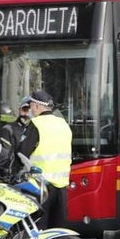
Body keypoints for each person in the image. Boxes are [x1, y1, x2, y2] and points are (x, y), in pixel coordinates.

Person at [15, 90, 72, 228]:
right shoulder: (63, 124)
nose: (30, 110)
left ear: (36, 106)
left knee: (38, 228)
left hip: (40, 185)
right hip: (62, 185)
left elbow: (22, 153)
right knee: (57, 230)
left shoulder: (36, 123)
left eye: (31, 106)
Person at [0, 98, 32, 177]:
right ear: (19, 110)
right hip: (16, 176)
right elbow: (5, 158)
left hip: (36, 175)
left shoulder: (37, 130)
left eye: (30, 111)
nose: (27, 114)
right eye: (25, 109)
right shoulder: (8, 129)